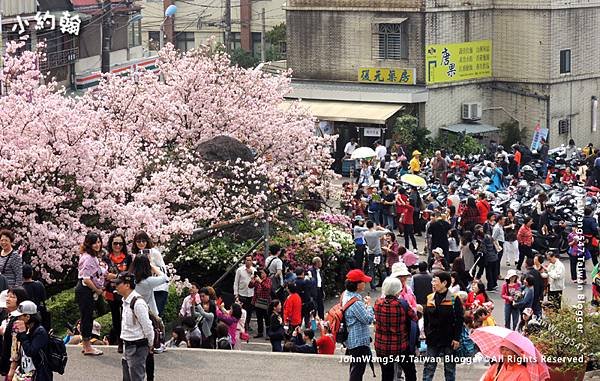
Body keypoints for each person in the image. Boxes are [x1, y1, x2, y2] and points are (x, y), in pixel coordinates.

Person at [374, 277, 418, 381]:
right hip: (400, 345)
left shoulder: (377, 303)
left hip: (381, 346)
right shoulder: (402, 304)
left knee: (386, 374)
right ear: (398, 290)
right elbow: (414, 318)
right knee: (410, 371)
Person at [423, 271, 464, 381]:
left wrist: (456, 338)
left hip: (449, 339)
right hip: (433, 338)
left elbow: (459, 320)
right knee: (429, 367)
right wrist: (427, 332)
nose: (433, 283)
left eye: (435, 281)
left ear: (444, 283)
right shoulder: (430, 298)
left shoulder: (454, 299)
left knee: (449, 368)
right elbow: (426, 318)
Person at [115, 272, 155, 381]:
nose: (116, 286)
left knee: (136, 378)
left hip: (137, 346)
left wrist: (150, 344)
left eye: (118, 284)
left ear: (127, 285)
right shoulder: (125, 302)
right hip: (127, 345)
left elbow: (148, 326)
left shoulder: (138, 303)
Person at [75, 232, 107, 356]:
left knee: (86, 317)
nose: (97, 245)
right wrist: (98, 290)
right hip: (85, 290)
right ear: (89, 244)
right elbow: (86, 279)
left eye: (99, 242)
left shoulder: (89, 256)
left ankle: (86, 345)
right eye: (94, 242)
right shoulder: (88, 258)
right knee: (87, 318)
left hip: (85, 290)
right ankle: (88, 347)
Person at [343, 269, 374, 381]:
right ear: (357, 284)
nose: (365, 284)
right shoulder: (355, 302)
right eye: (363, 282)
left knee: (354, 367)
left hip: (351, 338)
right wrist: (369, 306)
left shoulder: (345, 294)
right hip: (359, 340)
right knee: (358, 370)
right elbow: (368, 319)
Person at [103, 232, 131, 349]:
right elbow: (102, 274)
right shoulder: (106, 258)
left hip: (125, 290)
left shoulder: (128, 258)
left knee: (126, 314)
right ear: (111, 244)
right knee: (115, 316)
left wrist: (114, 276)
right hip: (110, 291)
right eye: (115, 243)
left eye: (120, 243)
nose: (118, 246)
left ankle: (127, 339)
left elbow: (129, 275)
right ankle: (119, 341)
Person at [10, 301, 51, 381]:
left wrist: (22, 333)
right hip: (25, 373)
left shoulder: (40, 332)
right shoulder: (28, 329)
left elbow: (30, 352)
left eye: (19, 316)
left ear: (27, 317)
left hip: (38, 375)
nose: (17, 319)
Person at [132, 231, 169, 318]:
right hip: (145, 289)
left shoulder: (154, 253)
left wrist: (151, 264)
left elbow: (163, 270)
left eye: (143, 241)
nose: (141, 243)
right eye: (138, 241)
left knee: (156, 315)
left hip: (158, 287)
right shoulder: (135, 255)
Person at [0, 287, 29, 377]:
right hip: (6, 359)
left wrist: (12, 368)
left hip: (15, 365)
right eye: (7, 296)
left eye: (12, 297)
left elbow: (16, 345)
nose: (8, 299)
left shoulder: (19, 319)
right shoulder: (10, 316)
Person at [21, 265, 49, 331]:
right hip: (40, 313)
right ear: (32, 273)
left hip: (27, 316)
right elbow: (44, 299)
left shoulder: (21, 289)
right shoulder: (39, 284)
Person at [363, 221, 390, 290]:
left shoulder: (365, 233)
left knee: (371, 270)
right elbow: (388, 231)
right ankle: (385, 285)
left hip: (370, 253)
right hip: (377, 253)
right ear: (373, 225)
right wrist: (380, 227)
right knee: (381, 269)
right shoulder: (376, 233)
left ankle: (372, 286)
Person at [233, 255, 255, 332]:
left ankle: (247, 325)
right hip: (242, 293)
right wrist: (236, 294)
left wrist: (252, 272)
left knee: (249, 311)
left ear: (252, 261)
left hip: (251, 294)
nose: (248, 262)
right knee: (241, 311)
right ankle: (241, 325)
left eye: (249, 260)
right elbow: (236, 283)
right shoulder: (240, 270)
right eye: (246, 260)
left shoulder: (254, 270)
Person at [248, 268, 271, 338]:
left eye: (263, 273)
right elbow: (250, 286)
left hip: (265, 301)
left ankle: (268, 333)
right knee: (259, 318)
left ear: (266, 274)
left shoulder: (268, 280)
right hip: (257, 301)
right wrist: (252, 280)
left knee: (267, 318)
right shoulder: (257, 280)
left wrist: (260, 281)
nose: (262, 274)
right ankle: (260, 332)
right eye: (261, 273)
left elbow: (267, 287)